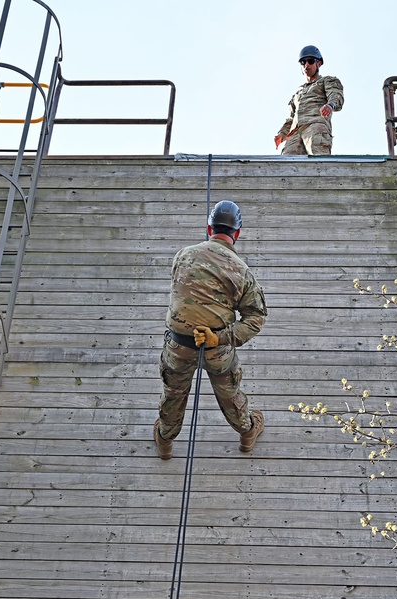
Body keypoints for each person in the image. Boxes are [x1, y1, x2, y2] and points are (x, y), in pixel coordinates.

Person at [154, 200, 268, 460]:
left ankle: (165, 442)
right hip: (217, 348)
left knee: (173, 393)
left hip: (178, 345)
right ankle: (247, 433)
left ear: (209, 227)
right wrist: (220, 337)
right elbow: (255, 317)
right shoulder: (242, 271)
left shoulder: (182, 255)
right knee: (229, 393)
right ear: (237, 233)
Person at [274, 45, 344, 156]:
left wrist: (330, 105)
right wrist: (282, 134)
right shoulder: (298, 95)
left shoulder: (326, 81)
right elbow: (291, 118)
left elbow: (335, 95)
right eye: (303, 62)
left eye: (310, 61)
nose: (306, 65)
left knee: (318, 162)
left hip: (314, 126)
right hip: (295, 133)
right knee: (286, 165)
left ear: (319, 63)